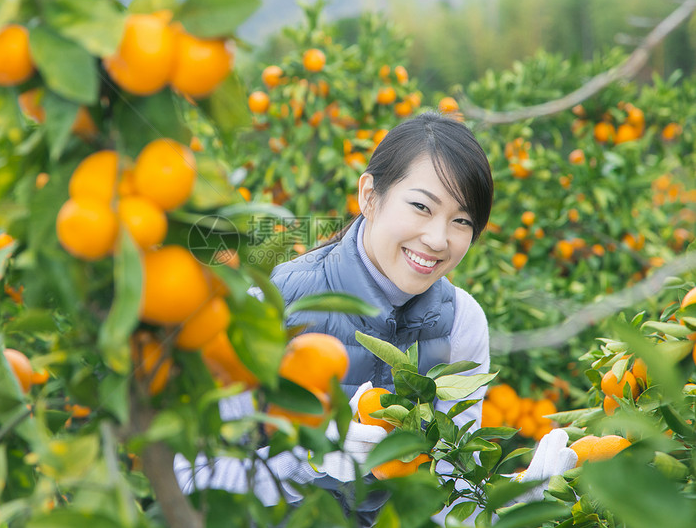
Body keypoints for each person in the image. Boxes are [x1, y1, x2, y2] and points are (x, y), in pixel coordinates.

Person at [175, 111, 496, 525]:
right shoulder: (271, 307)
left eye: (461, 221)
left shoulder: (461, 323)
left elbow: (452, 495)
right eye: (421, 206)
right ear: (369, 195)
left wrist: (507, 501)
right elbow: (194, 482)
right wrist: (309, 460)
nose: (438, 238)